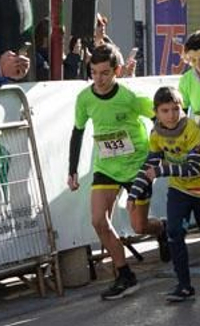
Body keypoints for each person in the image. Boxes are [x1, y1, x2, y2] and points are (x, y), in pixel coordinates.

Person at [132, 86, 200, 302]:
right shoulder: (156, 133)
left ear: (182, 109)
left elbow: (191, 168)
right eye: (165, 111)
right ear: (156, 112)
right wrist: (132, 195)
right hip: (179, 189)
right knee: (174, 233)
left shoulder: (191, 130)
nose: (171, 115)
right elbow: (150, 163)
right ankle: (184, 286)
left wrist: (162, 170)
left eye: (176, 109)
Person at [66, 44, 157, 300]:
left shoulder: (129, 96)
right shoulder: (84, 98)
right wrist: (72, 169)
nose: (99, 79)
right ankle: (124, 274)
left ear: (116, 71)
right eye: (94, 72)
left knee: (140, 226)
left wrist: (156, 154)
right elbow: (78, 131)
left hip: (136, 164)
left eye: (104, 73)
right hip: (106, 167)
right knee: (98, 220)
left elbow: (161, 117)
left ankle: (162, 230)